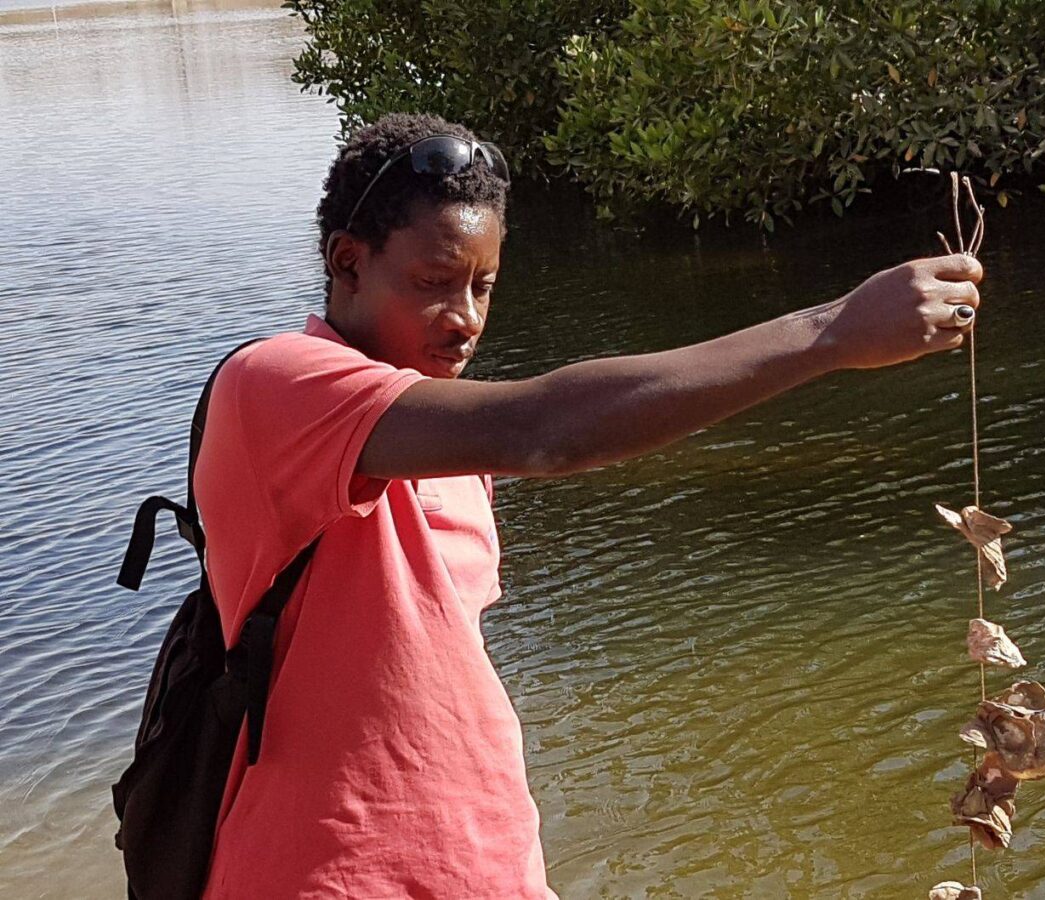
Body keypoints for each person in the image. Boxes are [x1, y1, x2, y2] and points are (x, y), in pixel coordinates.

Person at [195, 112, 982, 898]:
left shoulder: (446, 433)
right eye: (434, 283)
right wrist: (833, 331)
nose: (466, 318)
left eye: (484, 285)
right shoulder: (275, 387)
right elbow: (547, 431)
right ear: (347, 262)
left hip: (486, 868)